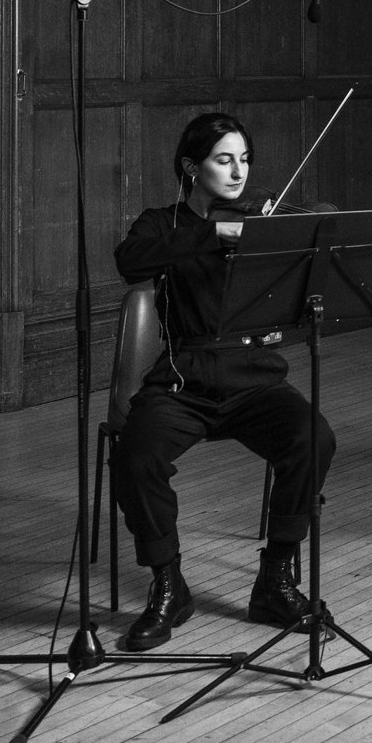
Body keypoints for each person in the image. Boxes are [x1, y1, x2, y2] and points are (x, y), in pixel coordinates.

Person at [110, 112, 339, 651]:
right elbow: (129, 261)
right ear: (192, 168)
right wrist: (212, 232)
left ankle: (276, 581)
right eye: (223, 159)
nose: (238, 171)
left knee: (314, 437)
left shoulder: (262, 218)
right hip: (184, 382)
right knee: (135, 458)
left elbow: (320, 236)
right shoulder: (162, 224)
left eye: (244, 159)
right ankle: (169, 585)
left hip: (255, 380)